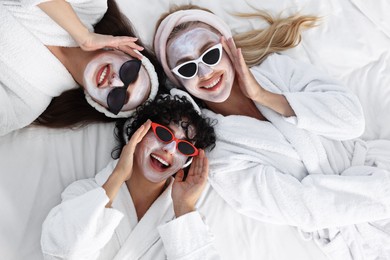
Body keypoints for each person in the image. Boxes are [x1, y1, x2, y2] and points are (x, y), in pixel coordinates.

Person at [153, 5, 390, 259]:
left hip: (379, 167)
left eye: (210, 54)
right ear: (178, 83)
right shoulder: (219, 153)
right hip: (362, 236)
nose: (205, 72)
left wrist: (264, 96)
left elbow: (352, 121)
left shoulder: (277, 70)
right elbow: (304, 207)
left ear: (228, 47)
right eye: (187, 68)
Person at [40, 90, 219, 259]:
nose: (170, 149)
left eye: (184, 146)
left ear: (187, 160)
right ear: (137, 133)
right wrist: (118, 175)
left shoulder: (184, 220)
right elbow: (61, 253)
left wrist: (184, 206)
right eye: (164, 134)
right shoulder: (83, 194)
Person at [0, 0, 163, 135]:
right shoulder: (91, 5)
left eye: (118, 98)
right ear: (125, 50)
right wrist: (83, 35)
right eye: (129, 73)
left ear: (98, 104)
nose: (115, 82)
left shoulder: (27, 107)